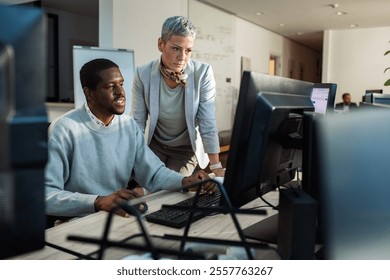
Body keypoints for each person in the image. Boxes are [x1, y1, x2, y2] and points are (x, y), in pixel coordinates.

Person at [45, 58, 213, 222]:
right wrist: (97, 201)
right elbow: (46, 195)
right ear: (89, 93)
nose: (120, 92)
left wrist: (185, 181)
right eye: (110, 86)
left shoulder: (127, 126)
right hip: (79, 222)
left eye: (121, 84)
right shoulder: (64, 129)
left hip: (118, 217)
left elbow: (154, 173)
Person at [131, 16, 224, 178]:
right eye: (176, 48)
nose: (182, 57)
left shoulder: (203, 73)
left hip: (185, 149)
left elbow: (206, 121)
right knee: (148, 183)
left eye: (188, 50)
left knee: (173, 186)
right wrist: (132, 158)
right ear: (161, 44)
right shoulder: (143, 73)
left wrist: (216, 166)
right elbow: (138, 122)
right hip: (155, 145)